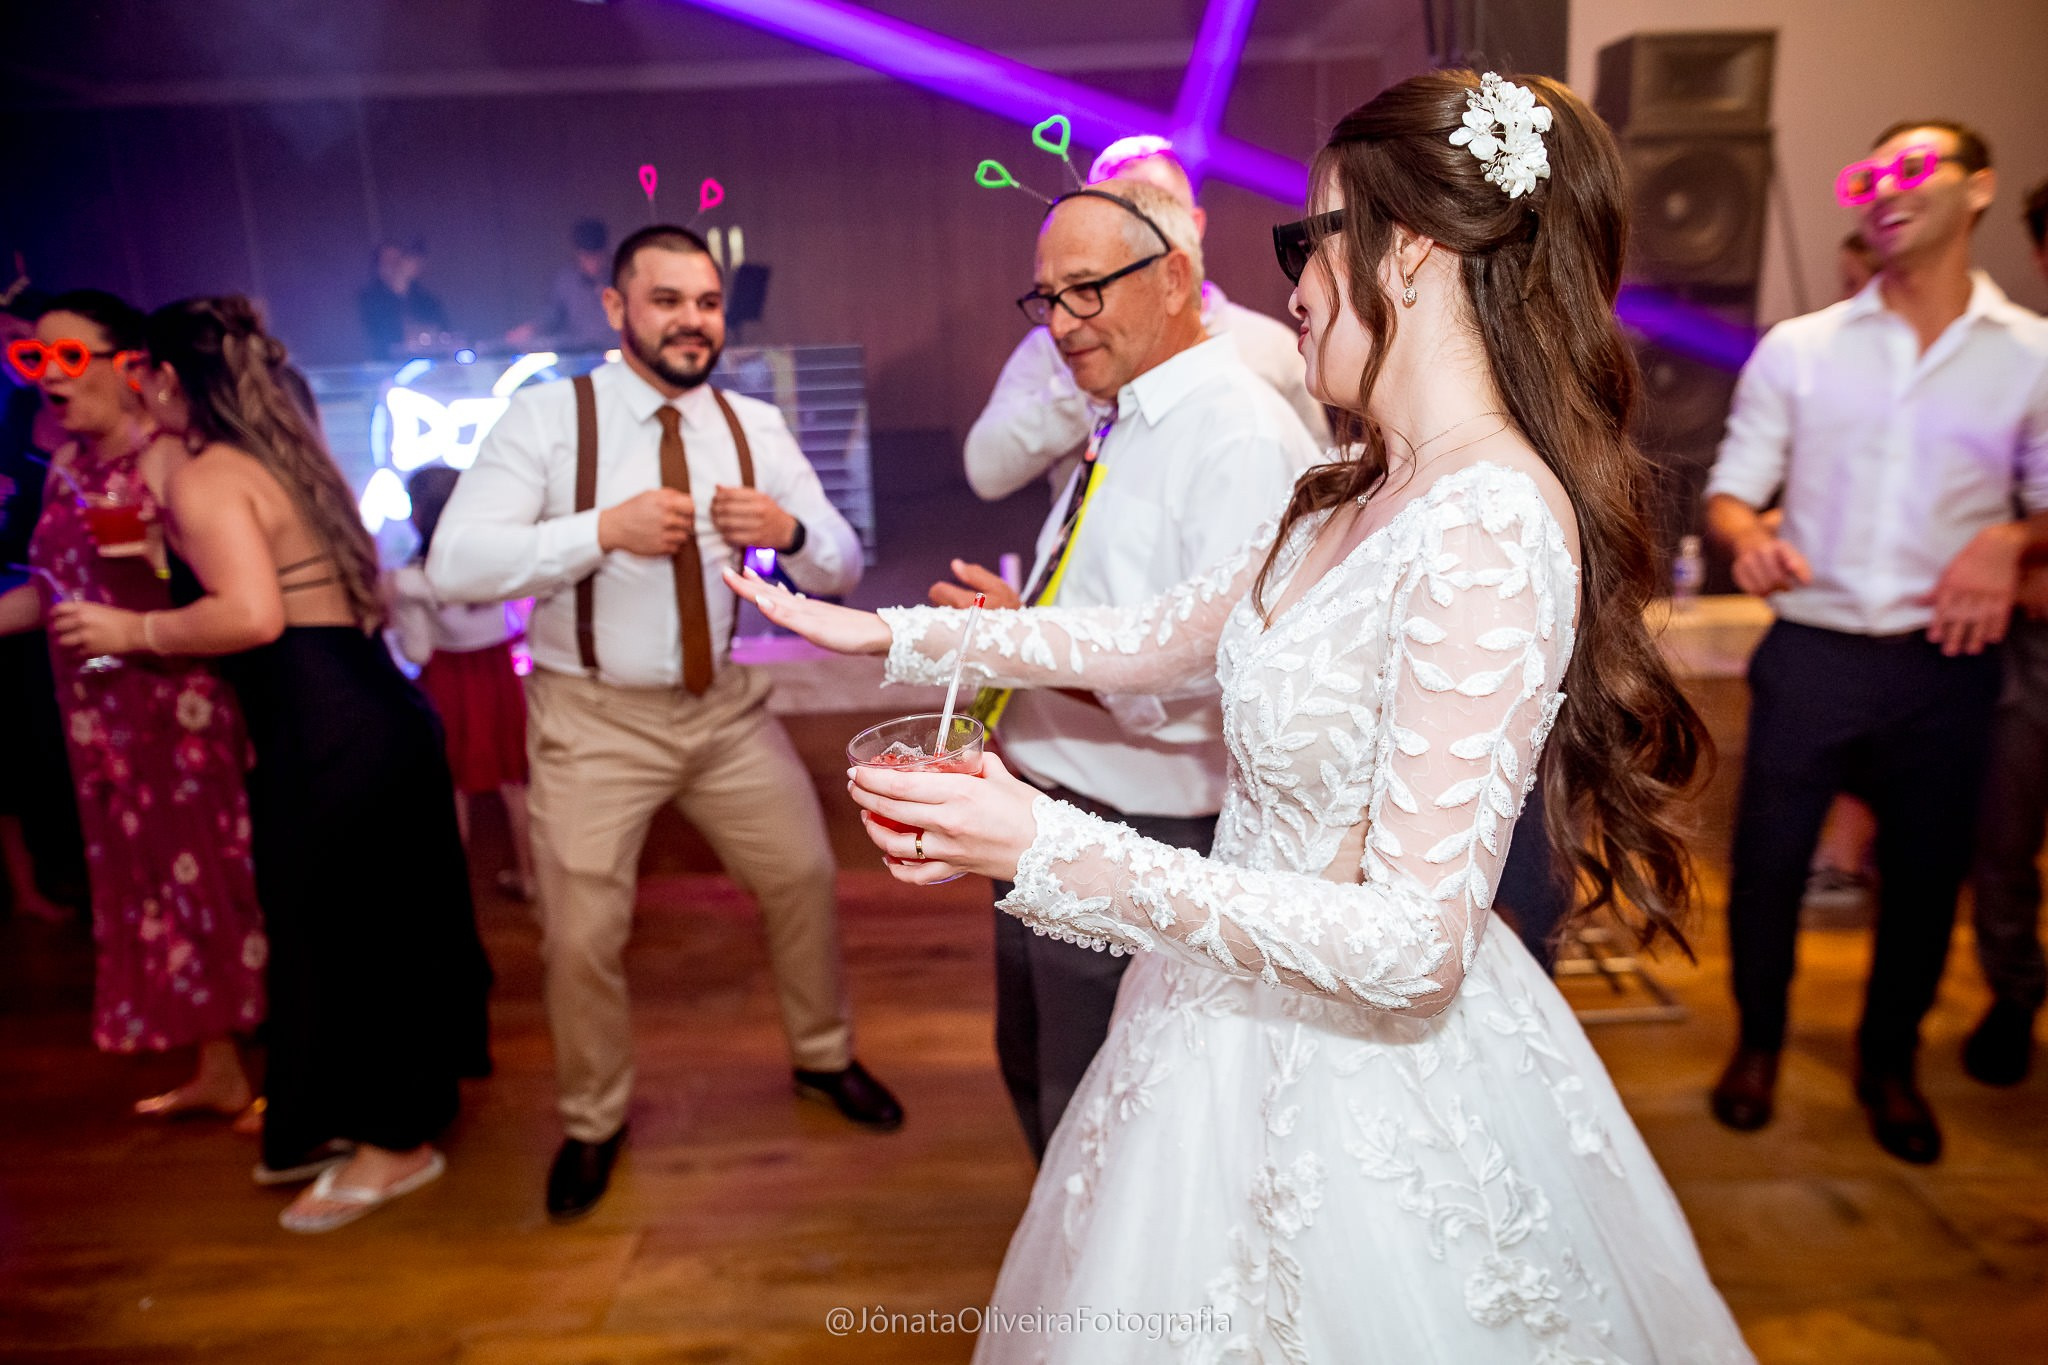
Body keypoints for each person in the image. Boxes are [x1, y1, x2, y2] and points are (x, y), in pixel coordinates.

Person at [730, 70, 1752, 1361]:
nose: (1294, 288)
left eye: (1308, 240)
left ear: (1412, 251)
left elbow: (1413, 947)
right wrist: (895, 634)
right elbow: (1158, 636)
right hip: (1216, 1001)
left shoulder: (1491, 521)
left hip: (1370, 1088)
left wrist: (1041, 844)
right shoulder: (1352, 485)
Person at [427, 223, 902, 1224]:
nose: (693, 320)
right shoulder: (549, 420)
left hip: (724, 710)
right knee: (580, 935)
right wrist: (600, 530)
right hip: (591, 720)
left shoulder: (752, 426)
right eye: (668, 299)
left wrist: (789, 532)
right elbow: (454, 565)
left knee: (803, 875)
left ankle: (823, 1058)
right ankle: (592, 1119)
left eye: (707, 302)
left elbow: (842, 560)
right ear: (616, 309)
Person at [50, 295, 493, 1233]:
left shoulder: (209, 473)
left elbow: (251, 615)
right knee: (350, 927)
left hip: (327, 727)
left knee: (348, 934)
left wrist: (130, 630)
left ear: (164, 379)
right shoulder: (284, 457)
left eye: (136, 371)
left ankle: (396, 1144)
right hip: (368, 711)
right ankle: (337, 1118)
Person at [933, 178, 1318, 1159]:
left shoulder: (1236, 431)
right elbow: (1120, 605)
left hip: (1141, 820)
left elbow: (1205, 680)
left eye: (1086, 291)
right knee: (1037, 1066)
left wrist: (1018, 641)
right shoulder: (1127, 411)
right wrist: (1020, 624)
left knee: (1104, 1113)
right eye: (1047, 297)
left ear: (1175, 278)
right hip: (1052, 795)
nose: (1061, 324)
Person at [1703, 121, 2048, 1163]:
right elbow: (1731, 490)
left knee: (1926, 876)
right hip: (1812, 652)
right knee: (1766, 866)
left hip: (1944, 661)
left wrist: (2011, 540)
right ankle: (1756, 1045)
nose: (1884, 191)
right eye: (1869, 176)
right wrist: (1746, 537)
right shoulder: (1800, 348)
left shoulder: (2030, 353)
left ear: (1978, 189)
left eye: (1915, 169)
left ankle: (1888, 1064)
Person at [0, 290, 265, 1121]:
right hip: (100, 715)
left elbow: (223, 593)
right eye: (33, 358)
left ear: (129, 368)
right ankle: (217, 1064)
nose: (47, 375)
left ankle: (283, 1060)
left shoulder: (168, 460)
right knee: (152, 883)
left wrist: (145, 602)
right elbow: (57, 592)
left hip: (173, 705)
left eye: (68, 357)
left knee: (214, 878)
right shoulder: (68, 469)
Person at [962, 136, 1328, 507]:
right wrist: (1089, 379)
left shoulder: (1270, 346)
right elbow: (985, 470)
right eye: (1109, 219)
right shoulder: (1055, 347)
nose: (1131, 236)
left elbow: (1319, 482)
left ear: (1191, 227)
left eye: (1149, 214)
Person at [1962, 176, 2048, 1084]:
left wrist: (2016, 542)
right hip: (2032, 654)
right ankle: (2015, 994)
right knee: (2004, 837)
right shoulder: (2029, 357)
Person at [388, 464, 537, 901]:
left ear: (418, 512)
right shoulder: (497, 560)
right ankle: (530, 876)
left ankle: (456, 891)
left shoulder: (411, 579)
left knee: (452, 787)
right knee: (515, 782)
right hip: (498, 676)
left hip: (447, 680)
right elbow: (521, 620)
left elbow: (416, 652)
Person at [0, 293, 90, 918]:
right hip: (30, 600)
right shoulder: (16, 417)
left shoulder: (115, 439)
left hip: (111, 626)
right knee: (29, 740)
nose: (39, 364)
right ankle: (41, 880)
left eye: (60, 352)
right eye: (21, 348)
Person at [508, 218, 616, 353]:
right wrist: (531, 329)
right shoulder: (567, 282)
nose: (592, 263)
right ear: (578, 254)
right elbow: (551, 316)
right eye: (586, 257)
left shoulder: (621, 278)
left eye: (596, 256)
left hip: (617, 352)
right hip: (579, 354)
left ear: (605, 252)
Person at [358, 239, 451, 360]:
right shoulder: (368, 300)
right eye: (387, 261)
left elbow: (445, 333)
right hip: (385, 366)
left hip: (430, 364)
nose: (395, 266)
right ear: (378, 268)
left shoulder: (427, 300)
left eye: (398, 260)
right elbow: (378, 337)